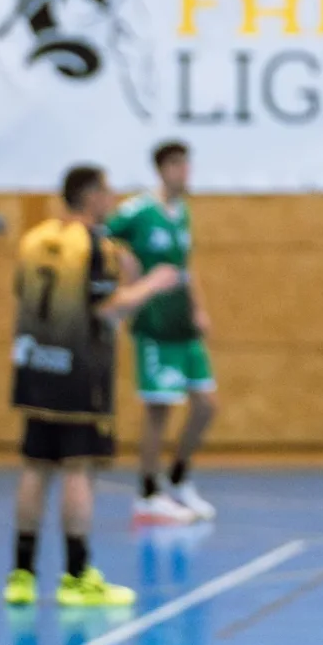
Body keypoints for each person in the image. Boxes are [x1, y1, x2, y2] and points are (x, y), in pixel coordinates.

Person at [6, 164, 183, 607]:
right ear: (90, 197)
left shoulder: (35, 238)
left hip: (34, 364)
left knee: (35, 465)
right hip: (78, 372)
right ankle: (76, 575)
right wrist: (151, 285)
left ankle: (22, 575)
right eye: (107, 192)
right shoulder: (95, 246)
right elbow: (107, 307)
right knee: (77, 468)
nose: (114, 199)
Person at [107, 140, 217, 524]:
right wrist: (128, 264)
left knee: (206, 405)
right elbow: (101, 234)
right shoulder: (139, 210)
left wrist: (199, 308)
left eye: (187, 164)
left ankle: (179, 477)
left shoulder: (181, 212)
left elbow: (186, 266)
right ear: (161, 169)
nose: (184, 172)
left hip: (184, 324)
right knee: (160, 409)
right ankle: (148, 492)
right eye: (177, 165)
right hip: (153, 324)